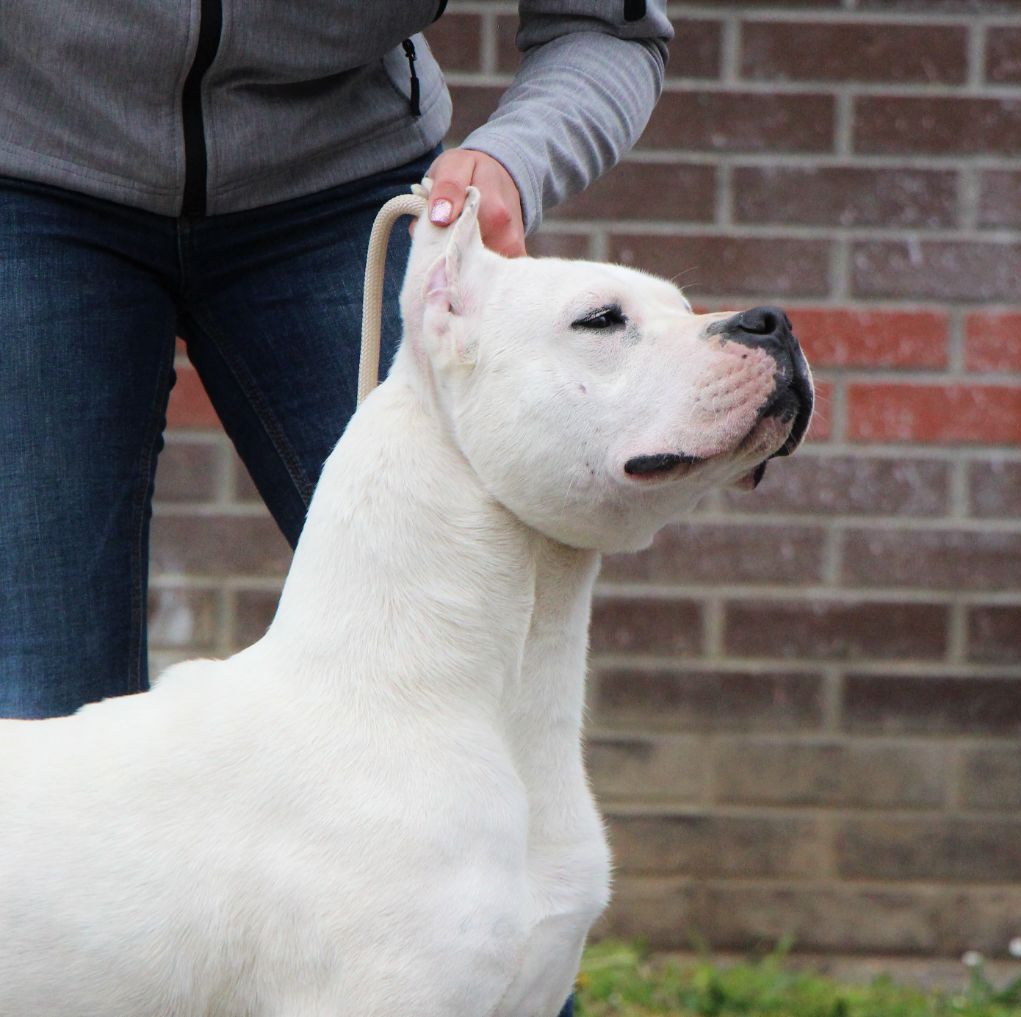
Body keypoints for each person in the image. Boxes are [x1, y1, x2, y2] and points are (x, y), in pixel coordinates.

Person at [0, 4, 671, 1008]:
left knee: (514, 797)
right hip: (28, 172)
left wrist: (514, 157)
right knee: (41, 741)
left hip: (341, 183)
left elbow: (607, 24)